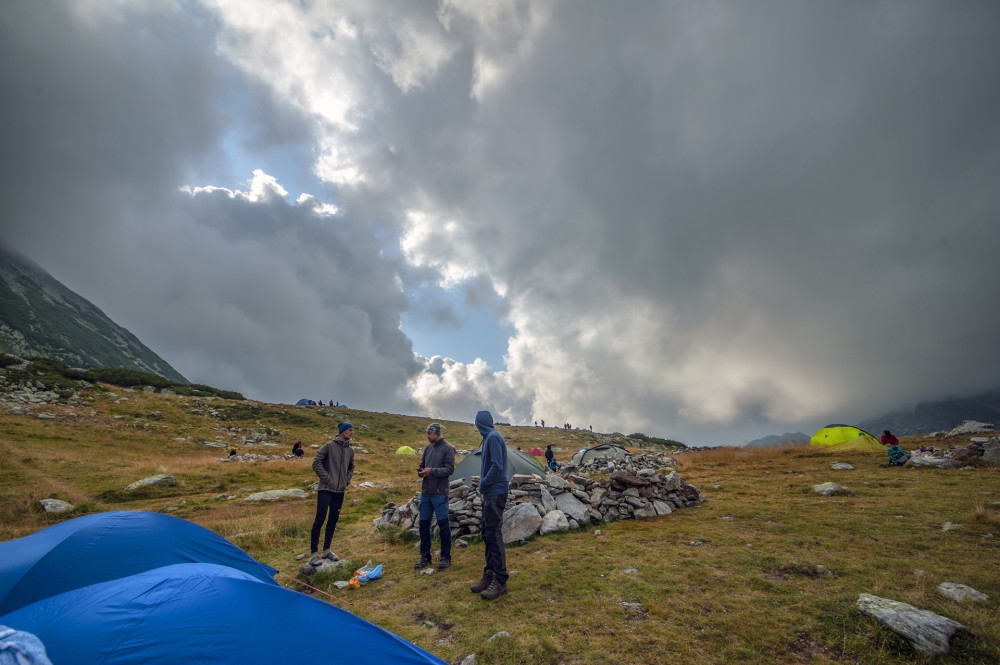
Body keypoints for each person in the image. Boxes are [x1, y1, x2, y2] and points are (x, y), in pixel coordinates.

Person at [470, 410, 510, 600]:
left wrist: (484, 484)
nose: (477, 427)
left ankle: (500, 580)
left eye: (477, 424)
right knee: (487, 532)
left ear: (480, 423)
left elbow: (497, 466)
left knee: (493, 534)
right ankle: (490, 574)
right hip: (491, 492)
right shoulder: (489, 437)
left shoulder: (493, 437)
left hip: (496, 491)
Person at [308, 421, 355, 566]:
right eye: (349, 430)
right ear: (342, 431)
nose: (352, 433)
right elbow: (316, 463)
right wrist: (327, 479)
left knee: (333, 519)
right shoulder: (328, 446)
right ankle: (314, 554)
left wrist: (346, 481)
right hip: (326, 489)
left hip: (340, 490)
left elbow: (351, 468)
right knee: (320, 519)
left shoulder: (350, 450)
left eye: (352, 431)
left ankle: (327, 550)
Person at [414, 423, 456, 571]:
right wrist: (421, 471)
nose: (427, 436)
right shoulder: (428, 449)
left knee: (443, 526)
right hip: (426, 493)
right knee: (424, 526)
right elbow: (422, 464)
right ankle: (425, 556)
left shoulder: (448, 448)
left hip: (440, 493)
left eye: (429, 433)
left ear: (437, 433)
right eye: (427, 433)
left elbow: (450, 469)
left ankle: (445, 557)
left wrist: (431, 471)